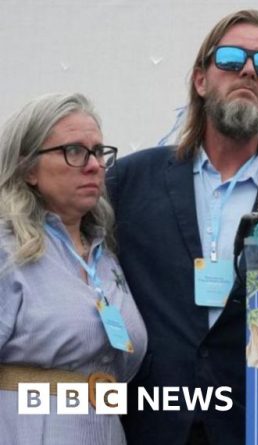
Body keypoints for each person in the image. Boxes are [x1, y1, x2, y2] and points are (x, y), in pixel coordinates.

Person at [106, 10, 258, 445]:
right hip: (149, 424)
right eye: (230, 59)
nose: (248, 70)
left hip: (257, 424)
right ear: (201, 80)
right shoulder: (128, 182)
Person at [0, 92, 146, 444]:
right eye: (74, 151)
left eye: (98, 152)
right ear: (29, 168)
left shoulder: (104, 255)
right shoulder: (7, 251)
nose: (94, 165)